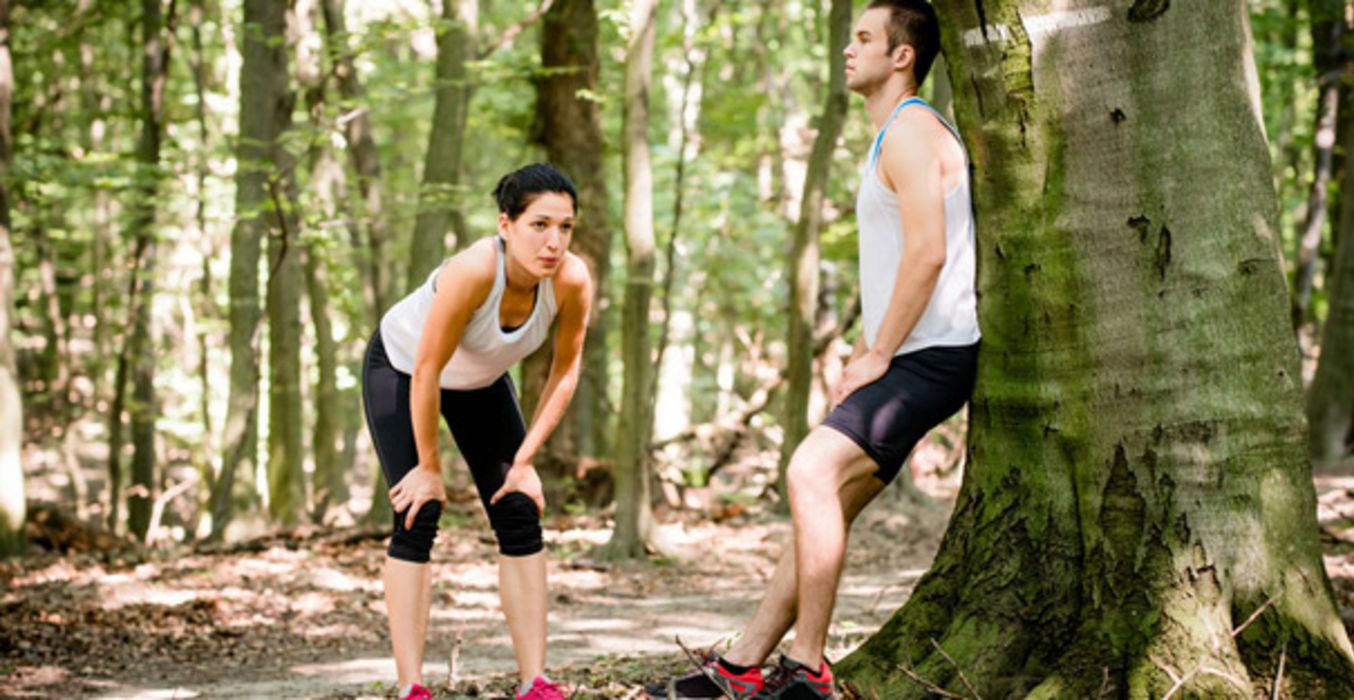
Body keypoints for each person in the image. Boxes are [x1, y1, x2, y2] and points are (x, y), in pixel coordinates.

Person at [647, 2, 978, 698]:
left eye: (863, 38)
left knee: (806, 472)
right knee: (819, 505)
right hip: (909, 351)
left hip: (933, 354)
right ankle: (742, 666)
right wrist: (863, 351)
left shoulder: (911, 133)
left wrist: (879, 352)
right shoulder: (894, 132)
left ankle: (808, 669)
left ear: (902, 56)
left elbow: (928, 254)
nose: (847, 49)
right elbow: (896, 263)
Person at [361, 163, 592, 700]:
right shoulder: (473, 271)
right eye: (540, 224)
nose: (554, 241)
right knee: (418, 511)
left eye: (565, 227)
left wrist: (525, 461)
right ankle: (410, 686)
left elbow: (565, 371)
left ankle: (535, 681)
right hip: (401, 367)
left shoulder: (572, 279)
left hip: (481, 380)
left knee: (517, 507)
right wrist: (428, 467)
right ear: (505, 225)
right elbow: (425, 370)